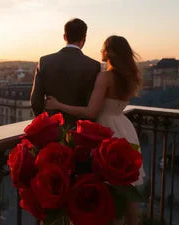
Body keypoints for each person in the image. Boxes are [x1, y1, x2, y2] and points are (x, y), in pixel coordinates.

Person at [45, 35, 144, 225]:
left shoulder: (106, 76)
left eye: (103, 48)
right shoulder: (128, 77)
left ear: (110, 52)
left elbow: (91, 111)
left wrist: (59, 104)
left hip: (106, 130)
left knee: (104, 190)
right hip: (125, 128)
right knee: (127, 188)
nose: (100, 51)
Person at [30, 18, 100, 127]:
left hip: (52, 127)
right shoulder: (94, 66)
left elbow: (36, 101)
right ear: (84, 38)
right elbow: (92, 105)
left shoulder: (45, 61)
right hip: (81, 131)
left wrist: (46, 123)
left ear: (64, 37)